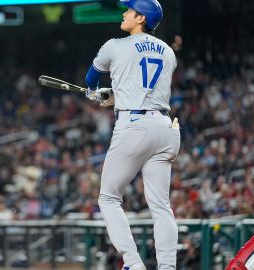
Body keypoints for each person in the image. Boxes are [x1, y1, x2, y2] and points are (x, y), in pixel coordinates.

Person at [84, 0, 180, 269]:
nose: (124, 12)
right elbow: (145, 87)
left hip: (134, 125)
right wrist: (115, 97)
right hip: (166, 128)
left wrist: (97, 94)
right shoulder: (169, 53)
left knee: (109, 197)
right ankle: (167, 267)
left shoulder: (114, 45)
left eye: (129, 10)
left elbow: (90, 79)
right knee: (161, 206)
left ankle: (133, 263)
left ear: (141, 18)